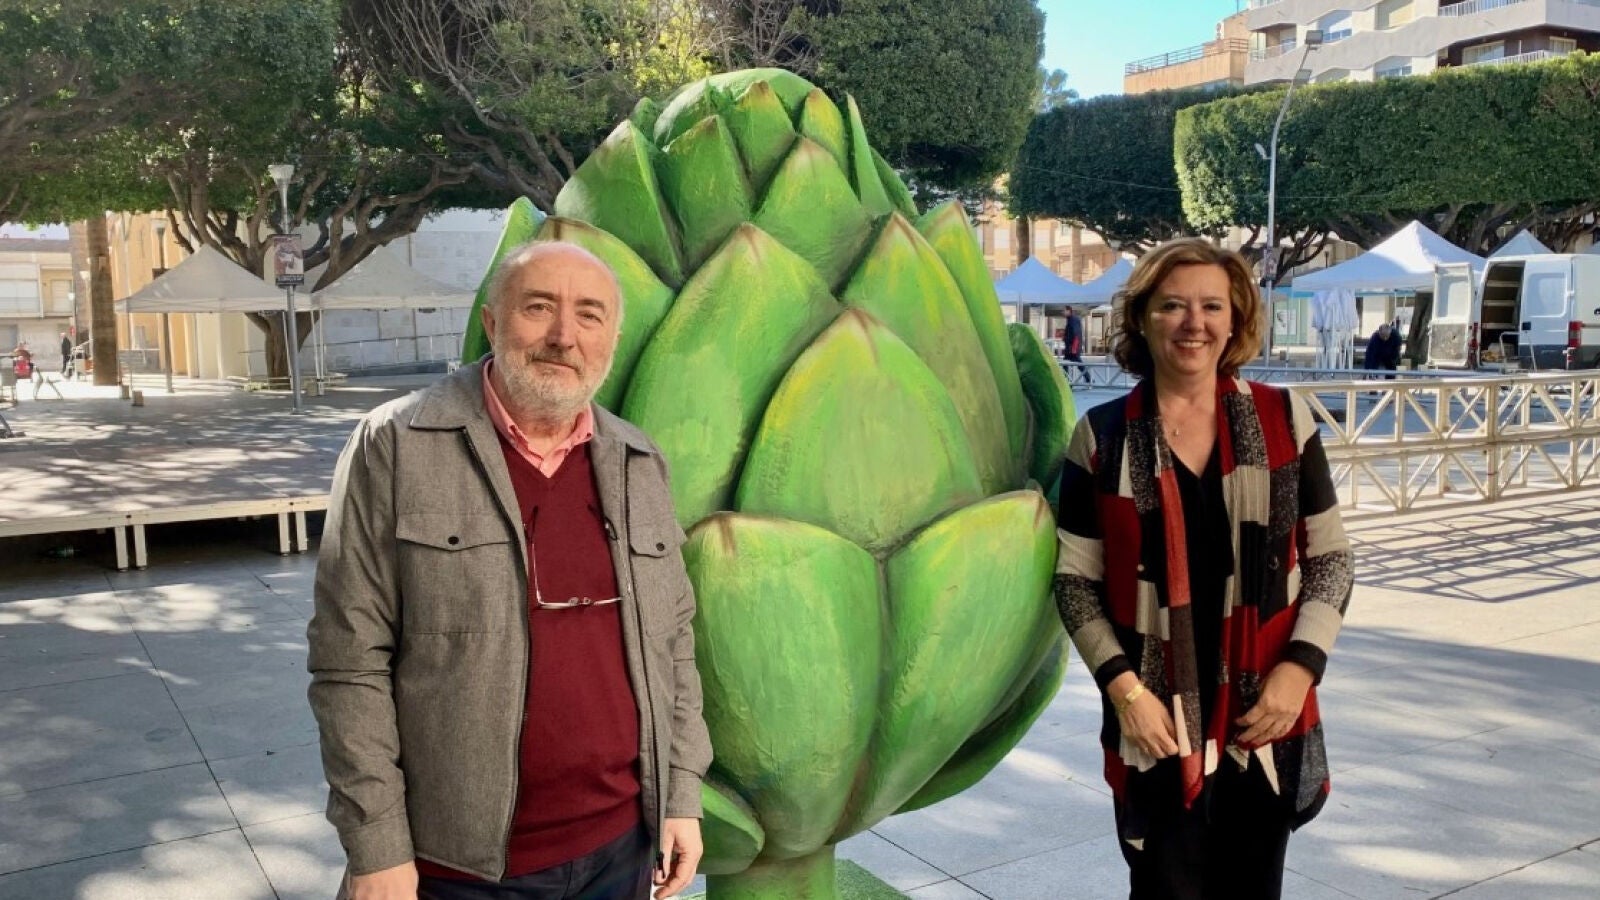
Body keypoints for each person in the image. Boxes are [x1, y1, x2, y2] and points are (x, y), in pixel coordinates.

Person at [308, 241, 712, 900]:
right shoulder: (397, 444)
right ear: (492, 323)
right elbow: (348, 661)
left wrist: (681, 795)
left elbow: (674, 644)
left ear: (611, 340)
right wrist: (376, 845)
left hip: (621, 847)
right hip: (457, 867)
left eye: (589, 315)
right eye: (538, 307)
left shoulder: (639, 460)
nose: (563, 336)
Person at [1053, 238, 1353, 900]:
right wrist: (1126, 693)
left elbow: (1331, 558)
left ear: (1235, 317)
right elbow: (1075, 582)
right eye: (1173, 306)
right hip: (1155, 721)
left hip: (1262, 715)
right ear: (1141, 318)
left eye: (1212, 306)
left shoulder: (1286, 419)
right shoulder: (1101, 437)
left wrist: (1299, 670)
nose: (1194, 323)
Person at [1062, 306, 1089, 385]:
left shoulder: (1073, 320)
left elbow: (1076, 335)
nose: (1063, 312)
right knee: (1066, 363)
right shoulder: (1070, 320)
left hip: (1073, 348)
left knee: (1078, 364)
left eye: (1064, 311)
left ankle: (1088, 379)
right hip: (1070, 347)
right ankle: (1067, 380)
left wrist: (1074, 348)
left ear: (1069, 311)